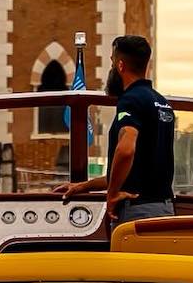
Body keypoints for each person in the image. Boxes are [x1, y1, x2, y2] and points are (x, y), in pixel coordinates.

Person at [55, 35, 175, 224]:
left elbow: (126, 150)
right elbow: (126, 173)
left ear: (120, 66)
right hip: (165, 210)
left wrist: (111, 196)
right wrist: (82, 187)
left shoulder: (130, 100)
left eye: (111, 62)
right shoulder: (162, 103)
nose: (111, 69)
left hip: (137, 213)